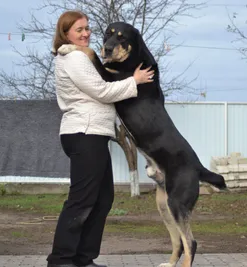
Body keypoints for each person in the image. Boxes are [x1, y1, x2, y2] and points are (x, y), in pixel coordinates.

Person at [46, 10, 154, 267]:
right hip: (84, 133)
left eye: (87, 28)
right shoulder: (73, 58)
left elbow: (102, 82)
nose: (86, 33)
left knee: (103, 198)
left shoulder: (83, 56)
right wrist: (134, 80)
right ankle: (61, 260)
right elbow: (102, 91)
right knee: (82, 200)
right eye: (79, 30)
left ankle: (83, 258)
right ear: (66, 34)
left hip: (93, 134)